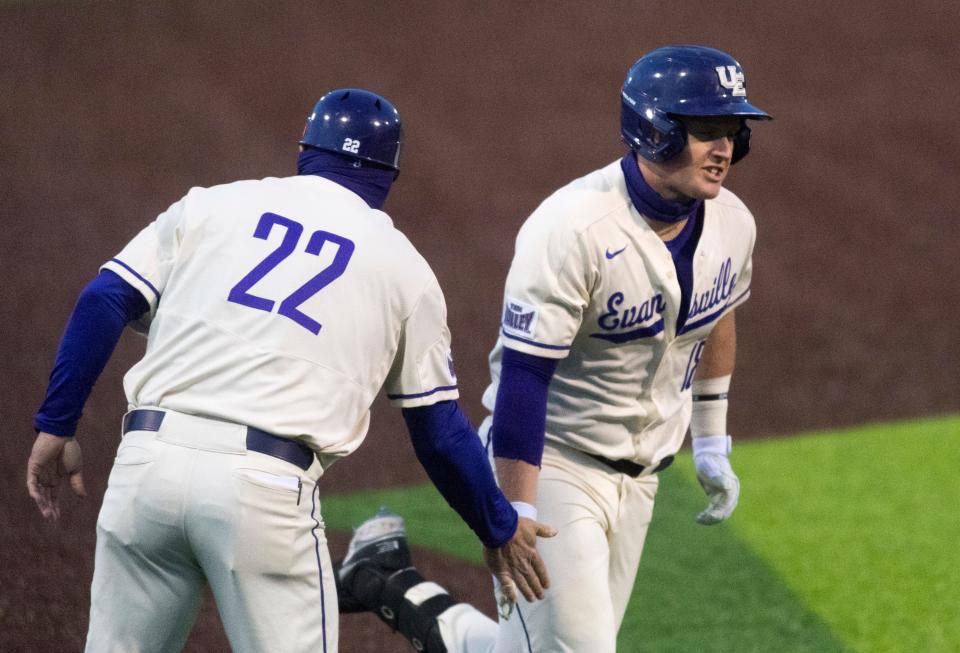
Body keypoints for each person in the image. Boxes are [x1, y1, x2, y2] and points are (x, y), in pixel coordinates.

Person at [25, 88, 554, 653]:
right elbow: (439, 430)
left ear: (306, 148)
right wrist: (498, 525)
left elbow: (103, 300)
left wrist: (56, 424)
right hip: (264, 496)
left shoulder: (211, 205)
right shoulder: (406, 270)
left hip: (145, 470)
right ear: (387, 175)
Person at [333, 44, 771, 652]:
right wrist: (514, 510)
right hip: (556, 464)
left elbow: (717, 315)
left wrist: (713, 439)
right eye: (705, 131)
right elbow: (524, 379)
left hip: (642, 477)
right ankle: (390, 582)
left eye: (732, 132)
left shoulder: (733, 223)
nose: (725, 149)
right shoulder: (572, 230)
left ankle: (389, 583)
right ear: (654, 130)